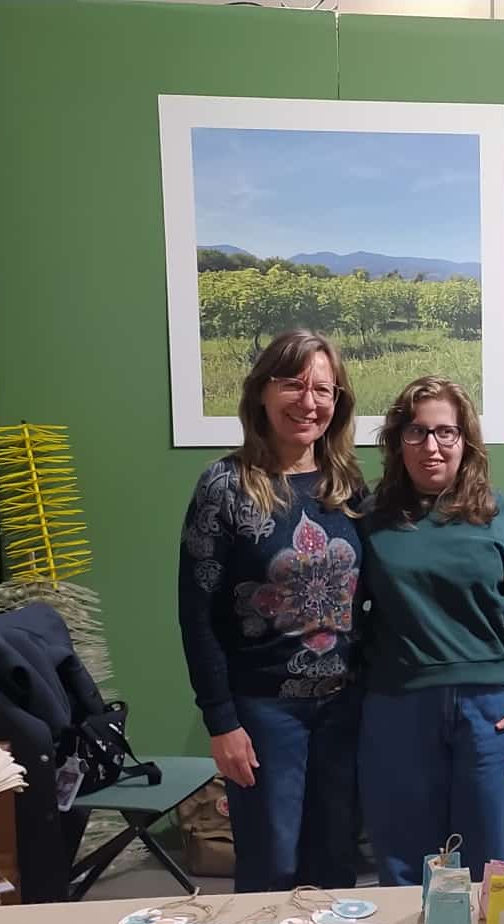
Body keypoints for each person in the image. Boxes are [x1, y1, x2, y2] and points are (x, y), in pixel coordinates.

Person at [176, 330, 365, 892]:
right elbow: (197, 614)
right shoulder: (224, 487)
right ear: (261, 391)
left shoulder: (348, 487)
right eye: (293, 385)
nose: (309, 402)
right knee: (271, 867)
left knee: (336, 865)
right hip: (263, 714)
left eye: (323, 390)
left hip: (344, 711)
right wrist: (221, 722)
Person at [358, 376, 504, 884]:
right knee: (404, 859)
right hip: (398, 707)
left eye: (445, 432)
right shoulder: (372, 519)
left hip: (491, 713)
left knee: (489, 862)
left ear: (465, 440)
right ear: (397, 442)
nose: (431, 446)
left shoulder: (501, 515)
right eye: (417, 432)